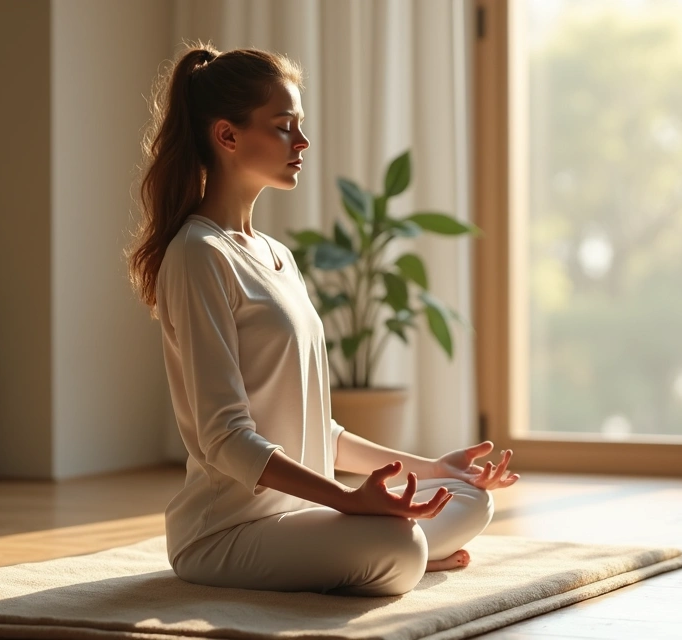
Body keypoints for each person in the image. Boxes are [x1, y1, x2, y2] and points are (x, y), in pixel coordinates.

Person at [127, 43, 520, 597]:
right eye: (284, 126)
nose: (302, 142)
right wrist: (349, 500)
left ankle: (382, 561)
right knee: (402, 544)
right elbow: (225, 439)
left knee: (471, 497)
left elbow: (320, 433)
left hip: (301, 518)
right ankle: (396, 560)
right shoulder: (198, 254)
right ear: (227, 136)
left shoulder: (275, 256)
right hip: (226, 534)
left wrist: (434, 467)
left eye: (300, 125)